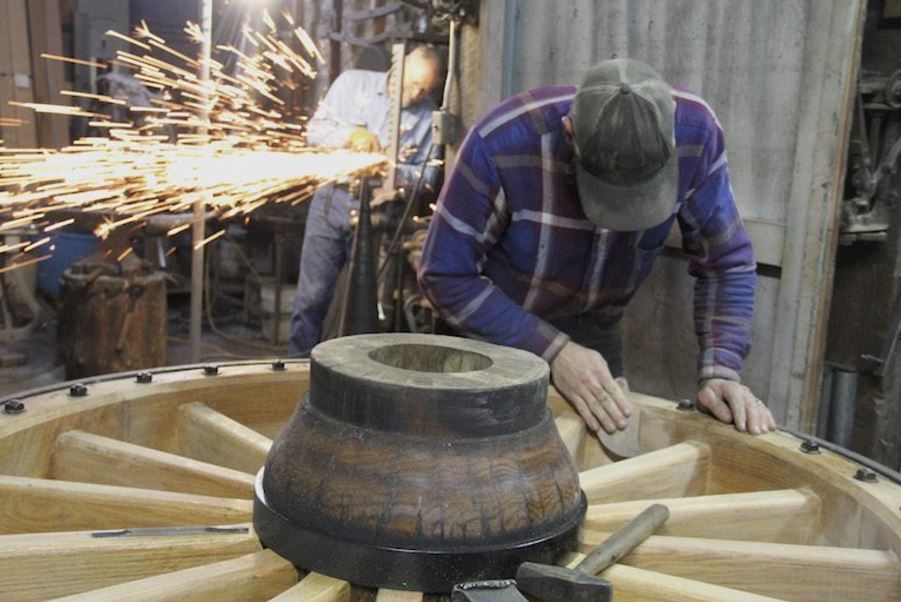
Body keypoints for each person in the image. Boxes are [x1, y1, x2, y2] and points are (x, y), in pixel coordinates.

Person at [417, 58, 776, 436]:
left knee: (596, 466)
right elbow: (444, 275)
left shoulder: (696, 135)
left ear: (671, 132)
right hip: (493, 330)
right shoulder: (502, 142)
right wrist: (553, 351)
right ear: (569, 133)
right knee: (474, 466)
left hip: (594, 332)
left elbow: (726, 263)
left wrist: (722, 369)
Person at [289, 45, 443, 357]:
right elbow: (314, 132)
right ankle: (295, 367)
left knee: (368, 306)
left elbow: (427, 178)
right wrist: (350, 136)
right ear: (398, 69)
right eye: (413, 84)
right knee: (312, 297)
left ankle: (353, 377)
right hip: (333, 197)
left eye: (424, 89)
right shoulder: (352, 84)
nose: (416, 94)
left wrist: (391, 169)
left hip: (381, 213)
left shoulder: (428, 116)